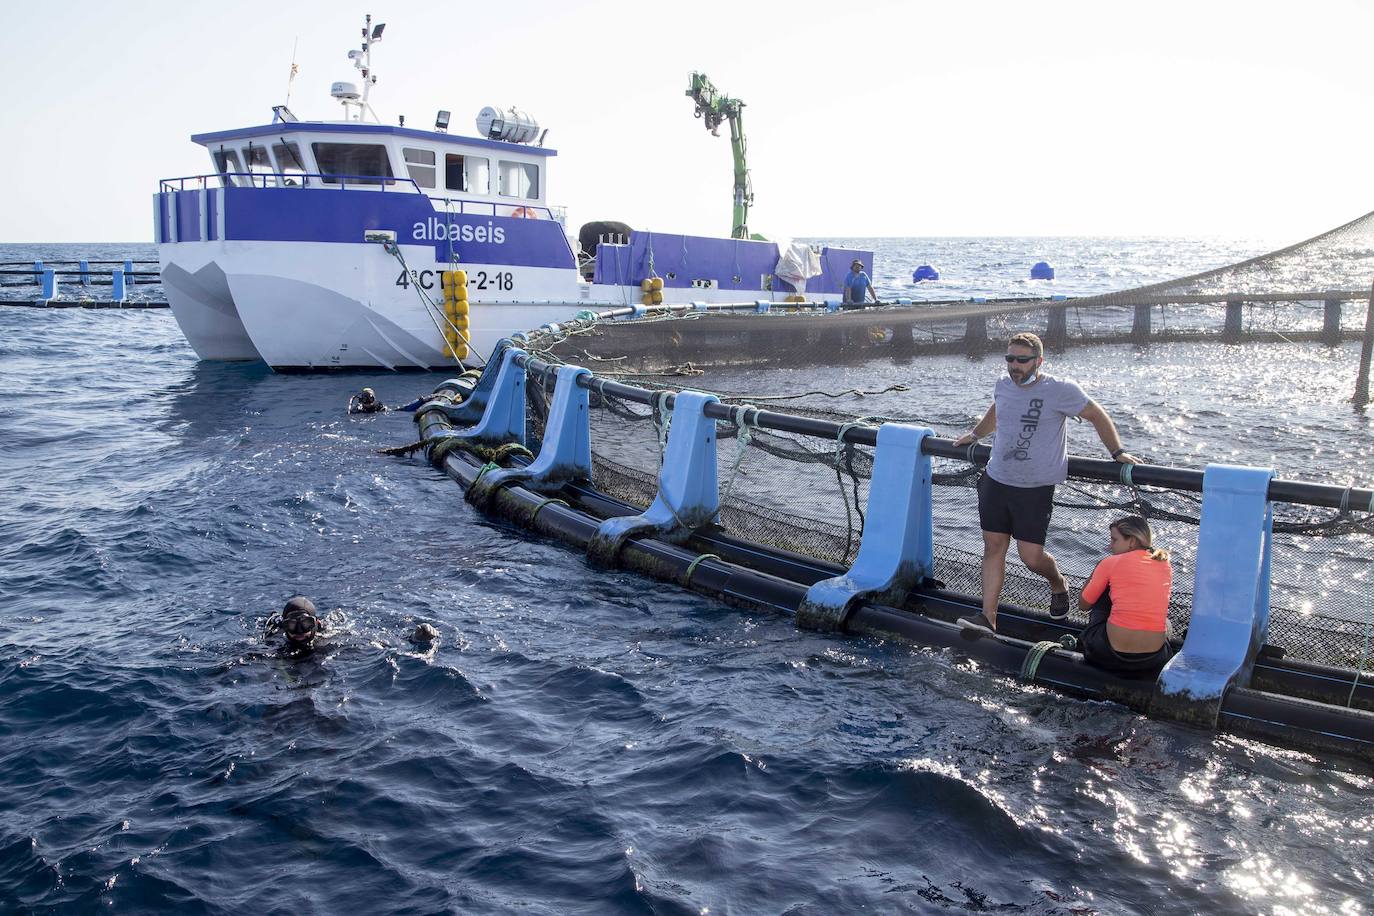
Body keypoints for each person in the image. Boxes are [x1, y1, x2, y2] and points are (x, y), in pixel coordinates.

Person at [953, 332, 1138, 632]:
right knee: (994, 546)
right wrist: (975, 435)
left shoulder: (1060, 390)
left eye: (1022, 360)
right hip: (996, 479)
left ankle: (1057, 582)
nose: (1015, 365)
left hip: (1034, 488)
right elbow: (998, 410)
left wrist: (1117, 452)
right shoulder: (1003, 384)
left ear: (1038, 361)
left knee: (1031, 556)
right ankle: (988, 618)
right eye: (1010, 358)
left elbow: (1096, 414)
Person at [1076, 516, 1173, 675]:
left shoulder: (1110, 562)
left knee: (1105, 591)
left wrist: (1097, 570)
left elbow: (1083, 605)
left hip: (1109, 655)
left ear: (1132, 541)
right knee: (1166, 623)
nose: (1110, 546)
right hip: (1153, 660)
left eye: (1114, 540)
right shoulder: (1165, 564)